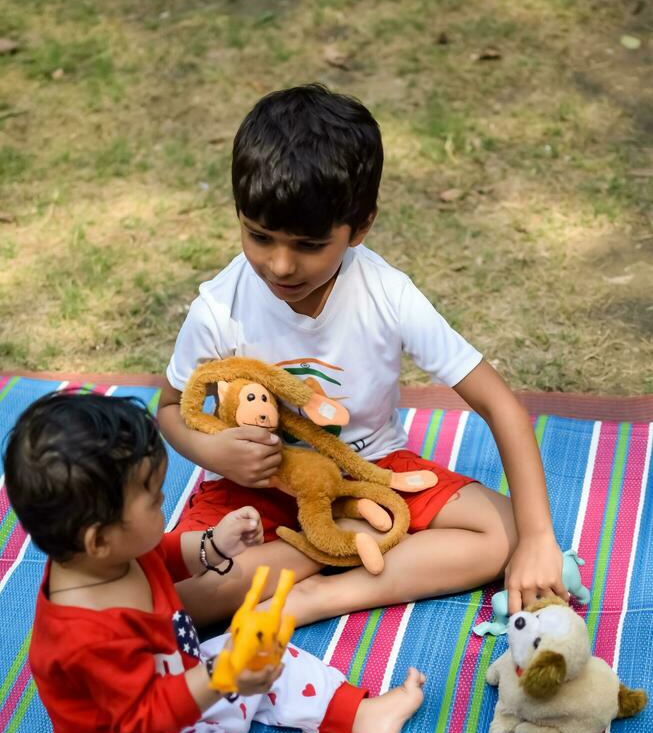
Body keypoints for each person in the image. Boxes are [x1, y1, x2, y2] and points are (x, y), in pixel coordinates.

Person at [158, 83, 567, 629]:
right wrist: (219, 454)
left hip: (374, 473)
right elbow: (168, 410)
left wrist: (540, 538)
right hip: (259, 489)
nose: (280, 265)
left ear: (361, 226)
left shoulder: (388, 294)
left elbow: (502, 408)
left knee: (507, 532)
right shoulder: (218, 307)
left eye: (307, 245)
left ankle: (317, 594)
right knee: (182, 597)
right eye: (259, 237)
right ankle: (332, 547)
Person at [4, 391, 448, 733]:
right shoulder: (81, 640)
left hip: (188, 680)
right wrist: (221, 677)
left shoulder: (108, 557)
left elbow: (163, 554)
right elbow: (149, 716)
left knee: (268, 646)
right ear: (98, 539)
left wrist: (214, 544)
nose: (165, 506)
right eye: (156, 500)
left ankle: (360, 714)